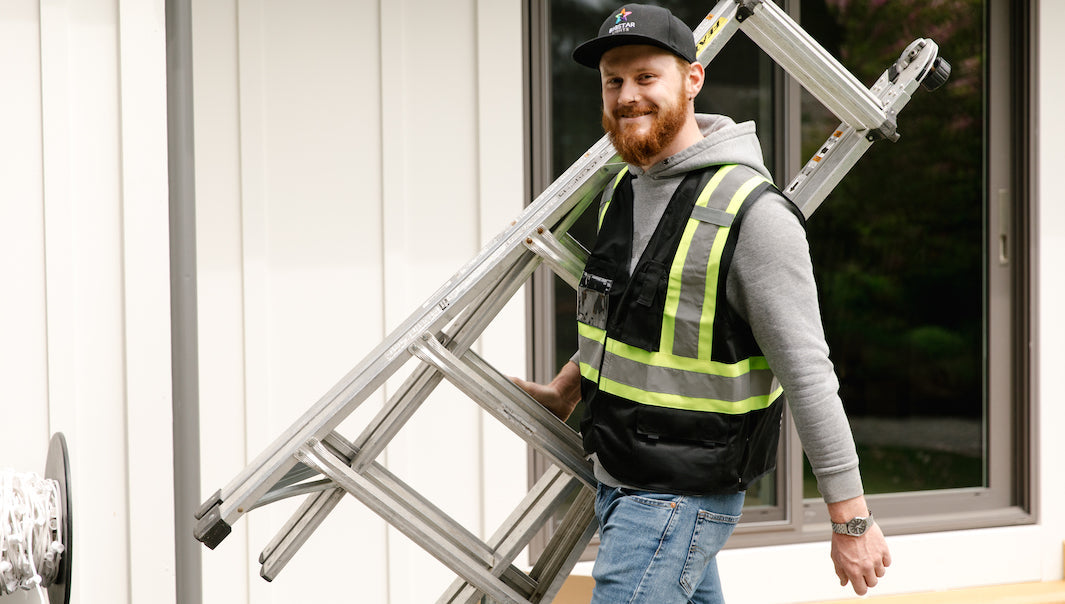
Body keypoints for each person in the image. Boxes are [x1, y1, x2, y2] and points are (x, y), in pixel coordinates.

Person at [511, 4, 891, 603]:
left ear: (693, 80)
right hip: (618, 472)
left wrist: (852, 521)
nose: (627, 95)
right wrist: (568, 389)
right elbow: (623, 319)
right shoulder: (623, 188)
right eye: (614, 81)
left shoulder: (754, 215)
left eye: (646, 77)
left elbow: (809, 376)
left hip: (680, 493)